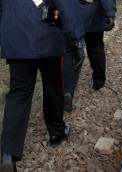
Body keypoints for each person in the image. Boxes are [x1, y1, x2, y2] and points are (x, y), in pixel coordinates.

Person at [0, 0, 85, 171]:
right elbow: (66, 5)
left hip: (16, 38)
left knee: (18, 94)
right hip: (48, 34)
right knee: (53, 86)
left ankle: (8, 153)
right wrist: (77, 42)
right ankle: (56, 132)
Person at [63, 0, 117, 112]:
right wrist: (110, 14)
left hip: (72, 17)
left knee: (72, 53)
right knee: (96, 50)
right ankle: (98, 82)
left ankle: (68, 90)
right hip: (93, 16)